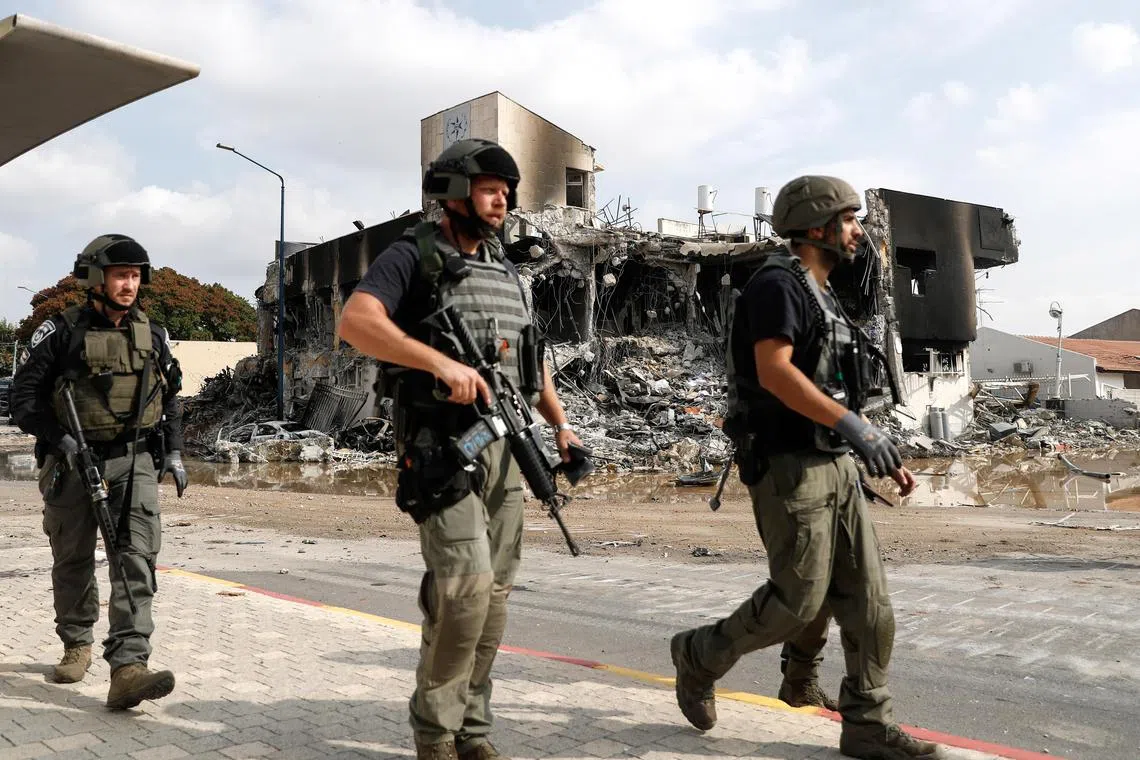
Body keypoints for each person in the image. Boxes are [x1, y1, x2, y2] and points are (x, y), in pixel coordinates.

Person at [669, 176, 944, 759]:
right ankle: (698, 655)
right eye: (849, 220)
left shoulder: (823, 295)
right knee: (796, 601)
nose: (858, 232)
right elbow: (775, 371)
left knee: (870, 605)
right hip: (790, 466)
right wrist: (854, 427)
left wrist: (873, 444)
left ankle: (867, 723)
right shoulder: (777, 285)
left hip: (836, 464)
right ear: (816, 227)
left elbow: (832, 386)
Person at [337, 138, 583, 760]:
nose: (502, 201)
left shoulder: (506, 272)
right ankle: (435, 731)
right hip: (441, 447)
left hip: (506, 445)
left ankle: (472, 728)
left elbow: (531, 362)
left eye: (506, 191)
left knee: (492, 598)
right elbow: (356, 322)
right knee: (465, 589)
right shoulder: (412, 256)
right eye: (489, 189)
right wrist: (438, 363)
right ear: (452, 192)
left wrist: (561, 426)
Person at [11, 234, 188, 710]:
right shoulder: (59, 332)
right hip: (72, 461)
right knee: (73, 558)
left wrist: (174, 453)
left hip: (135, 459)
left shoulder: (153, 333)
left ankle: (129, 666)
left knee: (136, 557)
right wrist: (60, 439)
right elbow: (23, 401)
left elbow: (170, 397)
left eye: (134, 276)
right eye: (119, 275)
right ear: (95, 279)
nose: (129, 285)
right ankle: (76, 642)